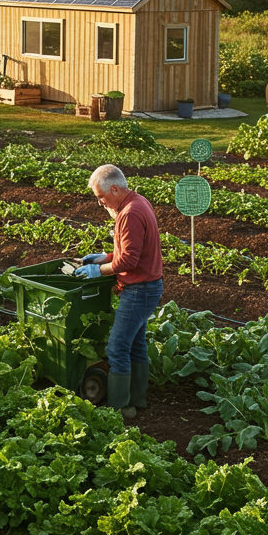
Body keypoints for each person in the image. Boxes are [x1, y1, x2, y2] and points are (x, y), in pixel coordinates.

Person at [74, 164, 163, 423]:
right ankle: (138, 399)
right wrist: (106, 256)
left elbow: (129, 262)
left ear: (114, 188)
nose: (100, 203)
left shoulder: (130, 213)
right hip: (147, 286)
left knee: (117, 347)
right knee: (135, 344)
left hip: (139, 289)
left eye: (101, 197)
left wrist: (98, 270)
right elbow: (130, 252)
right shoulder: (138, 202)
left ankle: (119, 408)